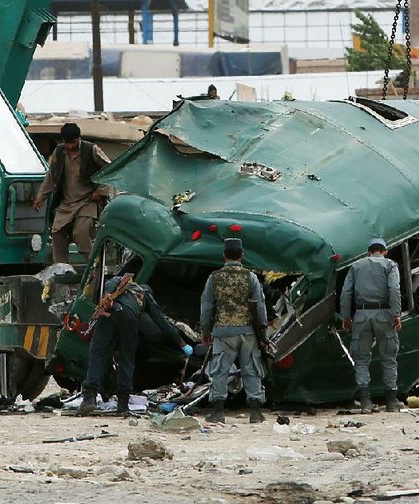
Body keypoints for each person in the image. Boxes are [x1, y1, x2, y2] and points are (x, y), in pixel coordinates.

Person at [79, 273, 190, 416]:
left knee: (97, 353)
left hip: (108, 312)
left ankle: (89, 398)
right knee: (127, 358)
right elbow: (161, 321)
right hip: (129, 316)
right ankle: (123, 406)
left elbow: (111, 283)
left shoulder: (121, 282)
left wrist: (107, 295)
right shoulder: (145, 294)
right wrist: (182, 343)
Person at [200, 238, 267, 424]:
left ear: (224, 256)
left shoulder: (214, 278)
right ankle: (255, 412)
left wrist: (205, 331)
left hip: (223, 331)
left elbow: (206, 307)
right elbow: (260, 308)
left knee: (220, 370)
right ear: (241, 256)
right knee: (251, 368)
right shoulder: (250, 277)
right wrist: (263, 334)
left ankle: (218, 412)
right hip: (247, 331)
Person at [340, 238, 403, 413]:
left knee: (361, 359)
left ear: (368, 252)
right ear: (385, 251)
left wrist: (346, 316)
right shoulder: (390, 265)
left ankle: (365, 402)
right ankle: (391, 402)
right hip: (384, 315)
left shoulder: (356, 266)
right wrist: (396, 313)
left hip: (361, 315)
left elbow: (346, 292)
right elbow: (394, 288)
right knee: (389, 358)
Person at [33, 123, 111, 264]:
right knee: (57, 233)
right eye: (67, 143)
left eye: (73, 142)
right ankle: (61, 268)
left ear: (79, 139)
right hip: (67, 203)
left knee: (80, 233)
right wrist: (41, 196)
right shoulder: (59, 152)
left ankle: (93, 267)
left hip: (87, 201)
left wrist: (101, 191)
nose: (70, 147)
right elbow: (51, 176)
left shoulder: (91, 150)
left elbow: (110, 169)